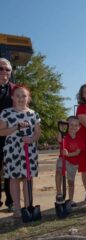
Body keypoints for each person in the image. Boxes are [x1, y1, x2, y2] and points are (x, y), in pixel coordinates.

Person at [0, 85, 41, 218]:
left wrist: (31, 139)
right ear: (12, 97)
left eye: (24, 96)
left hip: (29, 150)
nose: (21, 98)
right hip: (12, 150)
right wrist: (16, 127)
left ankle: (28, 206)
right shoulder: (6, 113)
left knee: (28, 178)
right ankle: (17, 208)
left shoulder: (33, 114)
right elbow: (1, 132)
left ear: (28, 98)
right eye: (17, 95)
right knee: (14, 179)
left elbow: (37, 134)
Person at [55, 116, 84, 206]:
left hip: (73, 162)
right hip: (62, 159)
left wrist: (67, 154)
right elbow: (59, 139)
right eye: (71, 125)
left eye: (76, 125)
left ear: (79, 127)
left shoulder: (80, 138)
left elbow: (77, 152)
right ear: (67, 125)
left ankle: (70, 200)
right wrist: (60, 129)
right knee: (59, 172)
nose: (73, 127)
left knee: (71, 182)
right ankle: (59, 193)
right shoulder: (64, 135)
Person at [0, 58, 14, 211]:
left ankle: (11, 201)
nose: (4, 72)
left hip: (11, 136)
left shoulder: (17, 89)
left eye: (7, 69)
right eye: (0, 68)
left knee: (10, 169)